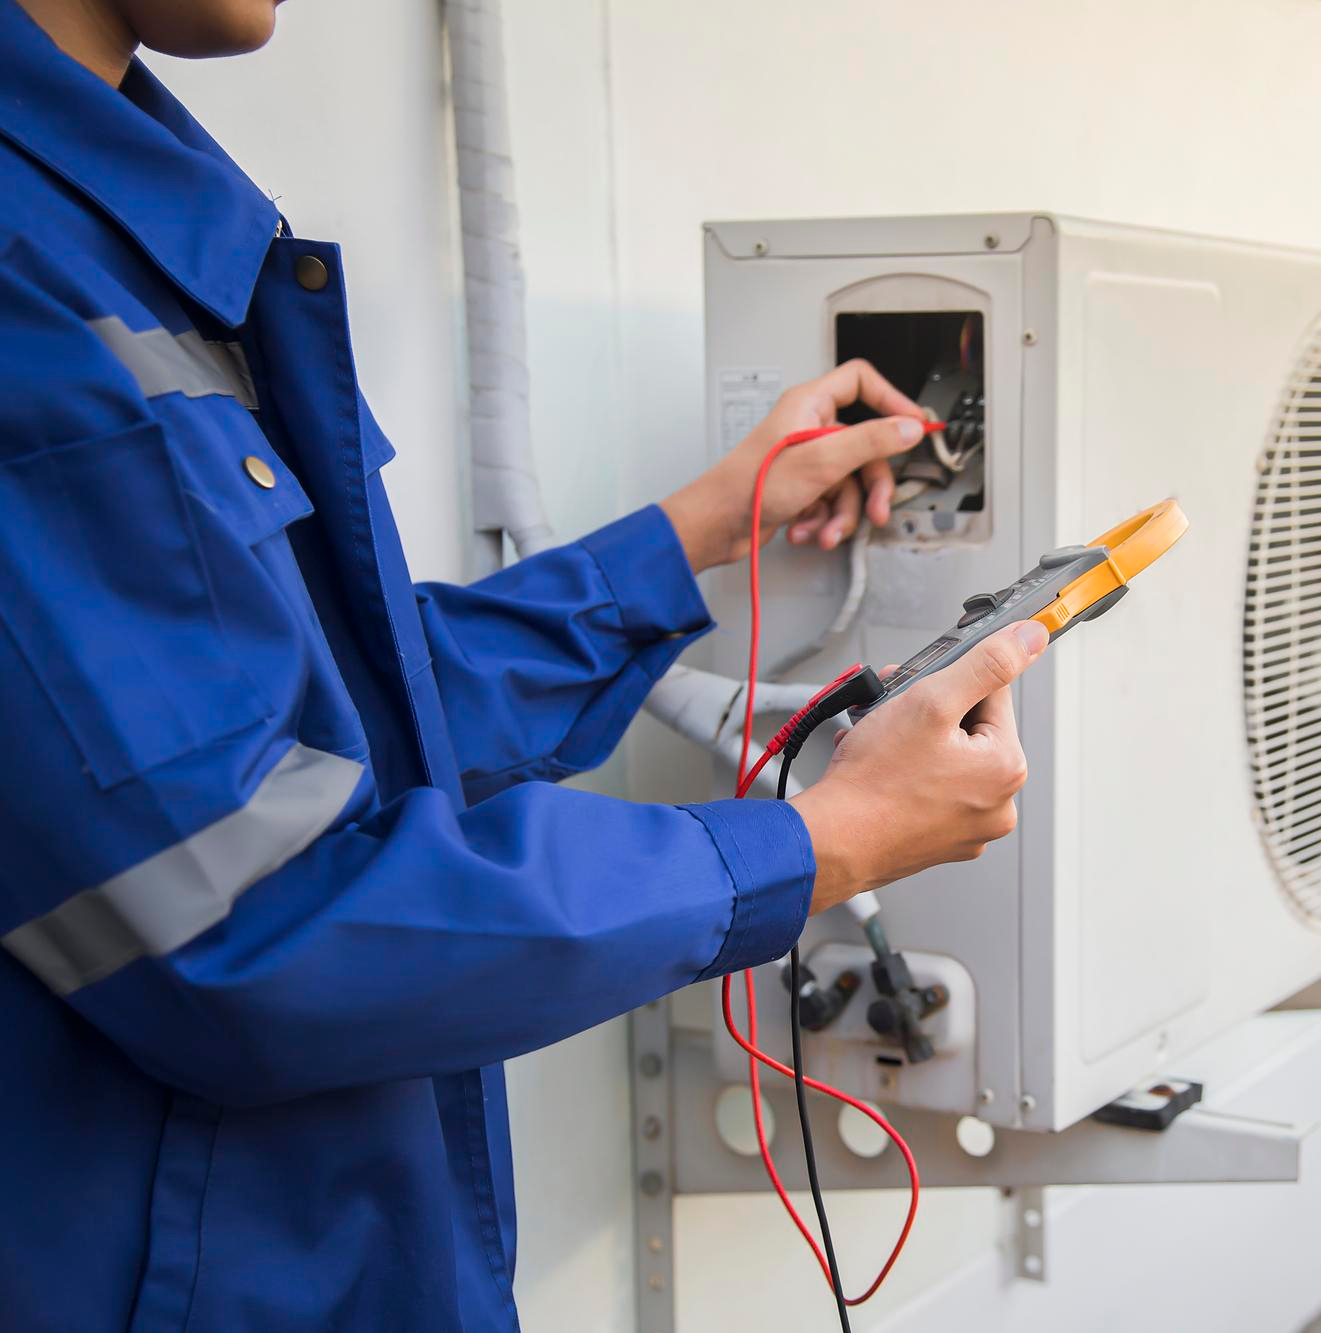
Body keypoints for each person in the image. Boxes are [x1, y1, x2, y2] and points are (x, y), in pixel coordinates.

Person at [0, 1, 1045, 1329]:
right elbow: (253, 919)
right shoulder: (27, 274)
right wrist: (815, 844)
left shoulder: (118, 213)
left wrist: (699, 531)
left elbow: (350, 707)